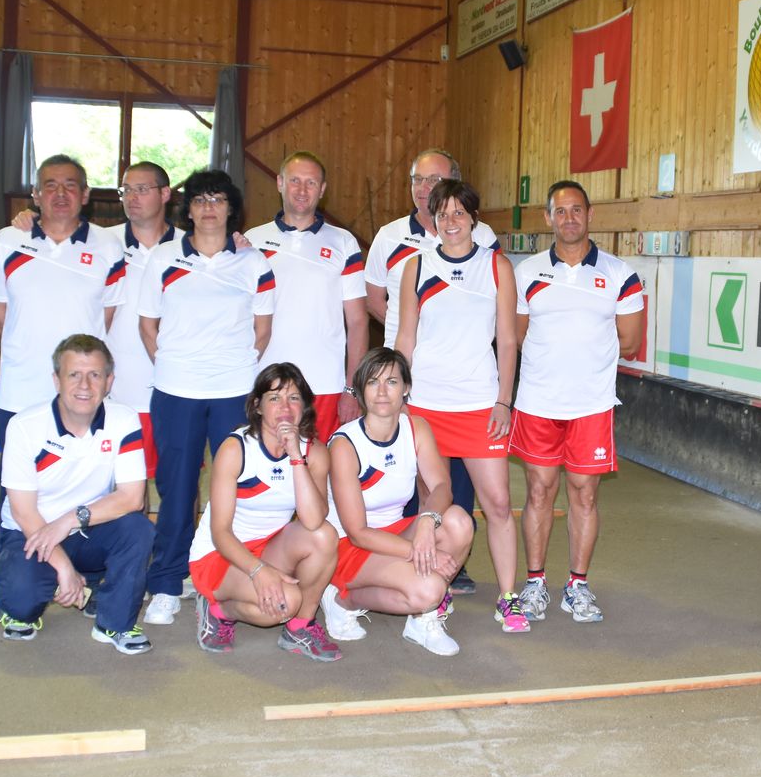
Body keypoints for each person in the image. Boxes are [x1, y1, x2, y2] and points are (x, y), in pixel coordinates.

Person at [138, 169, 274, 626]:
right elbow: (147, 325)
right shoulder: (163, 257)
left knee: (234, 491)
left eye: (218, 199)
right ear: (188, 209)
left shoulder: (254, 263)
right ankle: (166, 582)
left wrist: (230, 369)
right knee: (176, 490)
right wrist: (176, 366)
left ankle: (223, 579)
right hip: (176, 392)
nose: (209, 208)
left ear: (231, 208)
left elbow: (262, 331)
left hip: (234, 393)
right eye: (200, 200)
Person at [364, 148, 498, 594]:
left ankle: (454, 561)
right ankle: (403, 559)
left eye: (435, 180)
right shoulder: (389, 236)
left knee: (459, 479)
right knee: (409, 475)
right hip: (410, 379)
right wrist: (411, 346)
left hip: (465, 385)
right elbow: (374, 301)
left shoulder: (483, 237)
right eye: (418, 180)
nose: (426, 188)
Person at [510, 181, 645, 624]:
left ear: (590, 214)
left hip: (591, 405)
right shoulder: (526, 272)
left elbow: (630, 341)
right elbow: (516, 335)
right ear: (547, 218)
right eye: (560, 211)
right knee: (538, 491)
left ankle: (577, 587)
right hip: (537, 402)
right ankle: (535, 584)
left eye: (576, 210)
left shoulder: (621, 275)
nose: (569, 218)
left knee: (584, 495)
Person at [394, 179, 525, 632]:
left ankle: (508, 598)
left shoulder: (497, 266)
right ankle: (435, 592)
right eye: (442, 214)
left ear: (473, 218)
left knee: (499, 504)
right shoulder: (416, 266)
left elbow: (507, 340)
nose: (450, 221)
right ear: (433, 220)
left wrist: (504, 400)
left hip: (479, 405)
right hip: (425, 405)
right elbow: (405, 338)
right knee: (431, 506)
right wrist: (399, 399)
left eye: (458, 213)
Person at [0, 334, 156, 653]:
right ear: (56, 380)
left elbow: (131, 498)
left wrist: (69, 520)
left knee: (138, 528)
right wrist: (64, 568)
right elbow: (24, 513)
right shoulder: (25, 426)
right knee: (21, 604)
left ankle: (115, 623)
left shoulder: (123, 420)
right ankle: (37, 581)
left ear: (109, 381)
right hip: (31, 532)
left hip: (84, 528)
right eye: (74, 375)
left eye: (95, 375)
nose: (84, 385)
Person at [14, 161, 179, 474]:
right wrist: (31, 218)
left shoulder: (191, 244)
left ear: (165, 194)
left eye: (142, 189)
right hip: (114, 386)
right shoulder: (103, 241)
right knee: (121, 478)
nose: (132, 197)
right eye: (126, 190)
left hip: (173, 382)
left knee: (180, 478)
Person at [319, 347, 474, 656]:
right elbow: (358, 533)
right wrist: (421, 551)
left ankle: (421, 620)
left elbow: (442, 486)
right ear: (361, 389)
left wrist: (428, 521)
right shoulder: (344, 444)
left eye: (391, 381)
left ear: (406, 388)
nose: (381, 391)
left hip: (395, 531)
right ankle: (341, 599)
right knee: (429, 588)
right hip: (349, 546)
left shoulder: (416, 428)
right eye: (372, 382)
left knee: (458, 522)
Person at [188, 362, 341, 661]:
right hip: (220, 555)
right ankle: (218, 610)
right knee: (286, 603)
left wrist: (296, 456)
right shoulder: (236, 448)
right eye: (274, 398)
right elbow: (220, 533)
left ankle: (300, 628)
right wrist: (258, 571)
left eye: (294, 398)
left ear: (305, 406)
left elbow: (312, 521)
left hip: (270, 549)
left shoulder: (314, 452)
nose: (285, 407)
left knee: (325, 535)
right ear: (257, 406)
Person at [0, 154, 125, 450]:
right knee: (17, 473)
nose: (60, 194)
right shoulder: (7, 240)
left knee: (83, 472)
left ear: (85, 194)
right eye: (50, 186)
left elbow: (106, 315)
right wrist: (22, 349)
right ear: (36, 195)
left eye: (70, 185)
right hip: (20, 387)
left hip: (82, 390)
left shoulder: (108, 246)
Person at [246, 152, 367, 441]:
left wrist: (352, 389)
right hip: (266, 382)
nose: (302, 190)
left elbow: (358, 322)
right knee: (268, 465)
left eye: (311, 183)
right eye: (295, 181)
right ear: (279, 183)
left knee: (319, 466)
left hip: (324, 384)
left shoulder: (344, 242)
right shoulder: (251, 241)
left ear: (322, 189)